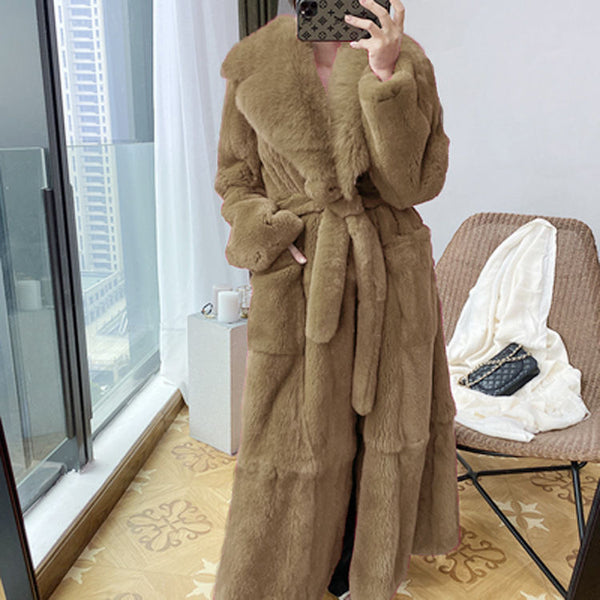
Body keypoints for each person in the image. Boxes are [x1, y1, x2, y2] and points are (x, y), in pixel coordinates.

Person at [212, 0, 461, 598]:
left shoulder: (406, 61)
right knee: (290, 443)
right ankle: (281, 580)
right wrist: (268, 234)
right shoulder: (253, 64)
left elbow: (415, 183)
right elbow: (235, 179)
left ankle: (361, 575)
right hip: (300, 277)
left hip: (389, 273)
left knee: (385, 437)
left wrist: (385, 76)